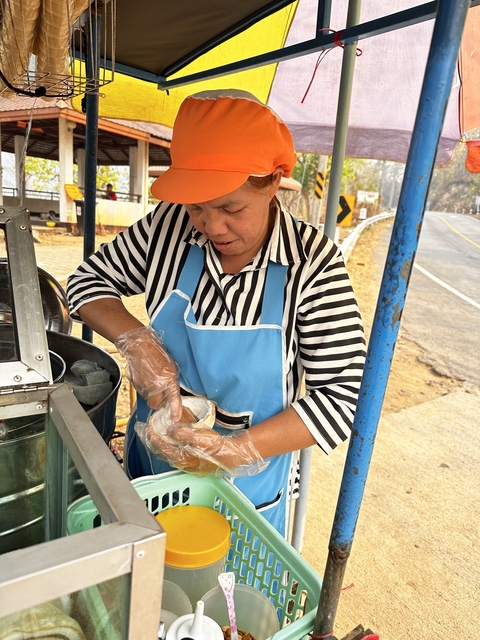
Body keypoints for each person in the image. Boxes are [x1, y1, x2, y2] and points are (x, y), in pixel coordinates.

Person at [66, 89, 366, 537]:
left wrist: (234, 449)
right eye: (197, 208)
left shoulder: (312, 262)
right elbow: (86, 282)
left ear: (271, 185)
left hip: (250, 488)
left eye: (230, 207)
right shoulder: (168, 226)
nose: (212, 226)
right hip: (156, 465)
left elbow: (342, 396)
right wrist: (137, 341)